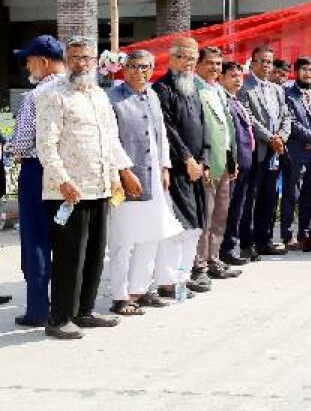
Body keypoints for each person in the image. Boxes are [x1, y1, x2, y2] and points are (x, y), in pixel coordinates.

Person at [36, 36, 131, 339]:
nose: (81, 63)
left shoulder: (100, 96)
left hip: (100, 186)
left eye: (86, 57)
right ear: (66, 59)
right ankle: (59, 317)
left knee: (93, 253)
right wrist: (62, 179)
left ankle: (84, 311)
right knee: (69, 256)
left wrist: (120, 173)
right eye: (74, 57)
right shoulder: (53, 94)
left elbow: (111, 139)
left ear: (94, 61)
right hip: (68, 191)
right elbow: (45, 144)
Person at [106, 50, 183, 316]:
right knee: (123, 240)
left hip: (154, 177)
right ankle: (120, 296)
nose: (141, 71)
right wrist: (124, 170)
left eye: (146, 67)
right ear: (124, 69)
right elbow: (110, 139)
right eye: (135, 66)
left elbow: (161, 134)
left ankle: (139, 290)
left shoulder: (152, 95)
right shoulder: (113, 98)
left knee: (151, 235)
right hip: (127, 178)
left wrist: (165, 166)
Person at [9, 34, 65, 327]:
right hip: (70, 176)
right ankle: (66, 305)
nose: (27, 66)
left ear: (43, 62)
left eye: (29, 60)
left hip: (37, 172)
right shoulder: (77, 90)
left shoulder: (37, 95)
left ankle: (38, 310)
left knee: (37, 241)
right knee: (66, 240)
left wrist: (10, 148)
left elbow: (21, 143)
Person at [152, 37, 212, 296]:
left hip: (197, 170)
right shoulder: (162, 89)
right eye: (184, 58)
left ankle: (183, 278)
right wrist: (187, 159)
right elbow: (168, 130)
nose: (189, 64)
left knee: (196, 225)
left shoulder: (194, 89)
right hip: (177, 169)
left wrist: (204, 161)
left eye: (192, 59)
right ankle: (167, 282)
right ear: (172, 58)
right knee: (177, 227)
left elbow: (203, 126)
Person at [241, 45, 291, 258]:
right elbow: (249, 118)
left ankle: (264, 241)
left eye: (269, 62)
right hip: (257, 150)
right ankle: (246, 244)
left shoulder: (277, 89)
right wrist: (270, 138)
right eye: (262, 61)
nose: (266, 65)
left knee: (269, 198)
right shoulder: (244, 87)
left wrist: (281, 137)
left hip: (275, 152)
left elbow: (286, 117)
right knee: (250, 199)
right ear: (252, 63)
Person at [193, 47, 239, 280]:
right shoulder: (193, 89)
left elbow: (228, 129)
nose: (215, 68)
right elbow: (196, 131)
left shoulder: (218, 90)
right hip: (207, 163)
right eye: (210, 63)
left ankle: (214, 258)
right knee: (206, 215)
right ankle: (199, 264)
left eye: (219, 64)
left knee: (221, 213)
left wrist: (233, 159)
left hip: (224, 161)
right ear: (198, 64)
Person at [283, 58, 311, 248]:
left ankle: (304, 232)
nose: (308, 74)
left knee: (310, 194)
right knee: (292, 194)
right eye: (304, 70)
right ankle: (287, 234)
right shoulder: (288, 95)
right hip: (295, 152)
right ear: (296, 72)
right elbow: (292, 123)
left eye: (310, 70)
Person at [216, 62, 255, 272]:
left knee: (238, 208)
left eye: (240, 75)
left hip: (246, 163)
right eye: (232, 75)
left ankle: (232, 246)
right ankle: (225, 250)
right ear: (221, 78)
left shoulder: (237, 100)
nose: (237, 79)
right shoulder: (222, 100)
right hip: (233, 165)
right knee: (228, 209)